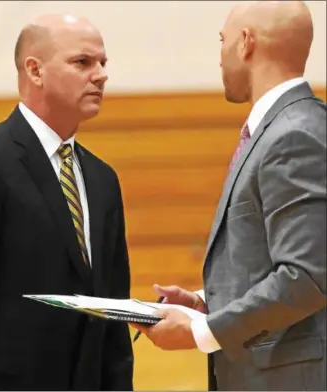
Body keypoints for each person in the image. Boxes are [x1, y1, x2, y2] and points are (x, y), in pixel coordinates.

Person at [0, 13, 133, 391]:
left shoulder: (103, 179)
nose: (100, 74)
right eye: (82, 62)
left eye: (103, 63)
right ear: (35, 71)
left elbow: (111, 316)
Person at [132, 1, 326, 390]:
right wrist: (210, 301)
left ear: (246, 43)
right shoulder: (290, 126)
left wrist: (201, 331)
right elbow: (273, 261)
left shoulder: (293, 134)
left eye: (222, 41)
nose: (219, 56)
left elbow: (307, 276)